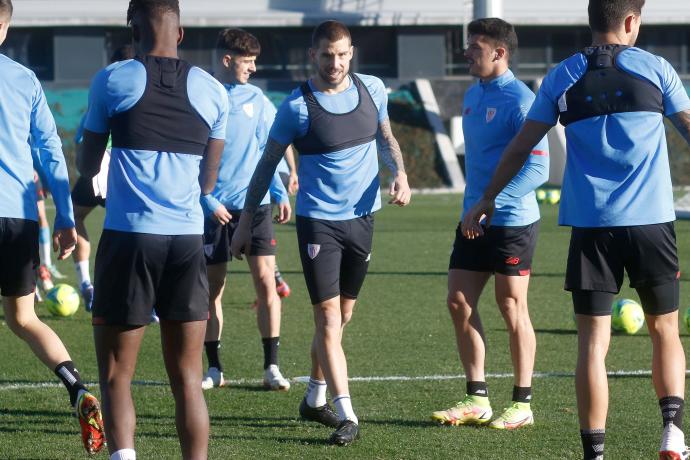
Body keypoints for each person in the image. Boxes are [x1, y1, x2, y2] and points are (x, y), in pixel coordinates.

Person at [462, 1, 690, 458]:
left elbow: (520, 147)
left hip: (591, 228)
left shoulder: (561, 75)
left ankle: (595, 453)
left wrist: (488, 197)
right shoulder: (656, 68)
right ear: (631, 22)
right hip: (650, 223)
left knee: (592, 345)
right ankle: (672, 431)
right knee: (665, 330)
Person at [230, 20, 411, 446]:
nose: (335, 63)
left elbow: (385, 137)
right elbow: (264, 167)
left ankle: (313, 397)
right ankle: (347, 413)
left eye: (343, 54)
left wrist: (399, 172)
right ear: (313, 55)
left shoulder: (372, 90)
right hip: (319, 224)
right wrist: (243, 223)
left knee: (343, 316)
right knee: (328, 318)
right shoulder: (296, 107)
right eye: (327, 55)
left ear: (352, 53)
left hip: (364, 218)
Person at [79, 0, 228, 458]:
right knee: (187, 377)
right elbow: (208, 181)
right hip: (185, 242)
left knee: (116, 375)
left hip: (129, 239)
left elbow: (87, 167)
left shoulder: (112, 79)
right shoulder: (212, 90)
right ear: (180, 33)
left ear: (133, 28)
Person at [431, 18, 549, 431]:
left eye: (474, 47)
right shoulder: (471, 94)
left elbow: (538, 170)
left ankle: (522, 403)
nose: (466, 53)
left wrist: (491, 202)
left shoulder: (520, 100)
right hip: (474, 217)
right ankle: (477, 398)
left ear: (499, 52)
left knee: (511, 305)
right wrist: (475, 207)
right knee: (458, 300)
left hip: (511, 220)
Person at [0, 0, 106, 454]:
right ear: (4, 29)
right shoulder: (24, 79)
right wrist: (64, 217)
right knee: (24, 317)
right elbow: (48, 151)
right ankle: (77, 387)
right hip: (19, 215)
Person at [200, 28, 292, 391]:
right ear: (227, 60)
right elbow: (191, 155)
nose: (253, 68)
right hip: (213, 210)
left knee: (266, 283)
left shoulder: (258, 98)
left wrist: (280, 190)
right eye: (248, 61)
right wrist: (206, 199)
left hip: (255, 207)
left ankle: (272, 367)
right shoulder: (203, 96)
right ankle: (214, 368)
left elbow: (267, 151)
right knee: (212, 290)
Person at [71, 44, 136, 312]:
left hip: (95, 168)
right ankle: (136, 294)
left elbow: (81, 140)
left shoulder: (103, 88)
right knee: (133, 230)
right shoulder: (136, 89)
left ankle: (87, 283)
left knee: (75, 217)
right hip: (120, 171)